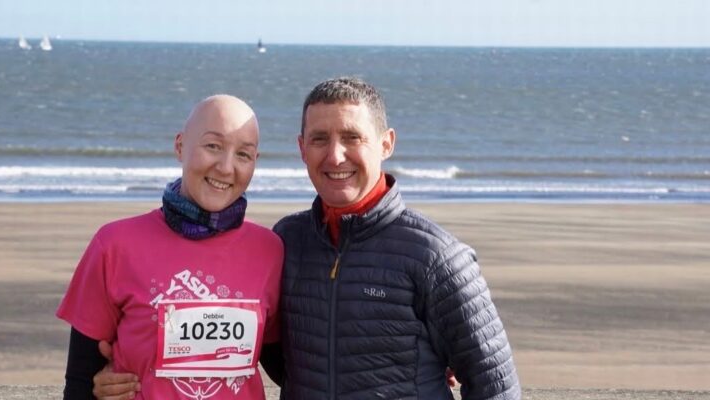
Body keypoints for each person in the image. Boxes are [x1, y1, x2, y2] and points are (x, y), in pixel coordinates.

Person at [94, 77, 520, 399]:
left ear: (386, 143)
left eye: (352, 137)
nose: (335, 156)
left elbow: (494, 384)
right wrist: (120, 371)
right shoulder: (287, 242)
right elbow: (261, 349)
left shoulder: (437, 256)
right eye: (320, 139)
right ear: (301, 148)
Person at [57, 94, 284, 399]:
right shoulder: (114, 244)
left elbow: (294, 368)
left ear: (255, 163)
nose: (226, 167)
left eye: (243, 154)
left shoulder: (270, 251)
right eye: (213, 146)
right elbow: (80, 382)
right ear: (180, 146)